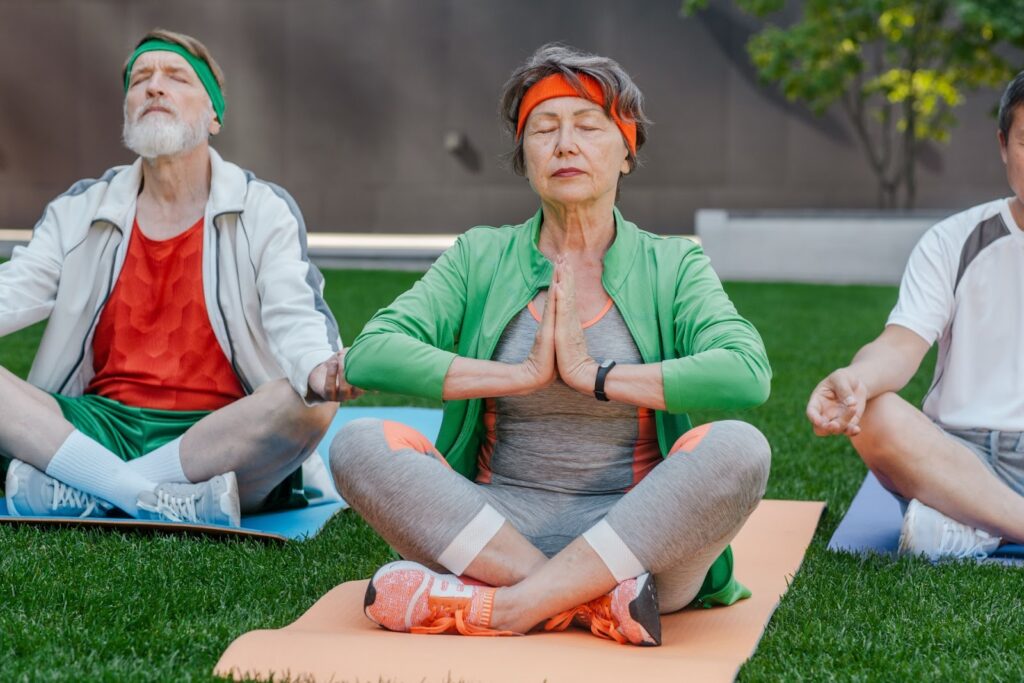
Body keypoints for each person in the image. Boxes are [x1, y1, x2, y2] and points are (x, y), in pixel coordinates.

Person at [330, 44, 772, 646]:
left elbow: (746, 373)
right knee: (358, 444)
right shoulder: (480, 255)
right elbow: (372, 351)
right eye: (544, 129)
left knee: (740, 449)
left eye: (588, 127)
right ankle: (586, 604)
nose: (565, 144)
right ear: (526, 156)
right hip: (490, 532)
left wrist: (593, 373)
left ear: (626, 149)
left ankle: (507, 607)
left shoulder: (672, 263)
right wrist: (520, 375)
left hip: (639, 538)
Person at [0, 28, 359, 527]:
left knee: (308, 403)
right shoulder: (79, 209)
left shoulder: (262, 208)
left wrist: (318, 369)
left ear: (214, 115)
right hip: (95, 425)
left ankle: (87, 487)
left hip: (218, 435)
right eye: (140, 79)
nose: (154, 87)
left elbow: (294, 311)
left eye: (176, 77)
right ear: (127, 111)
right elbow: (13, 290)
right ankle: (146, 495)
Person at [806, 71, 1024, 561]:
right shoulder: (955, 240)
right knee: (875, 412)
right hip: (960, 458)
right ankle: (992, 515)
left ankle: (976, 527)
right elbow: (900, 346)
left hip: (960, 487)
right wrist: (857, 379)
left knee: (935, 527)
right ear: (1003, 146)